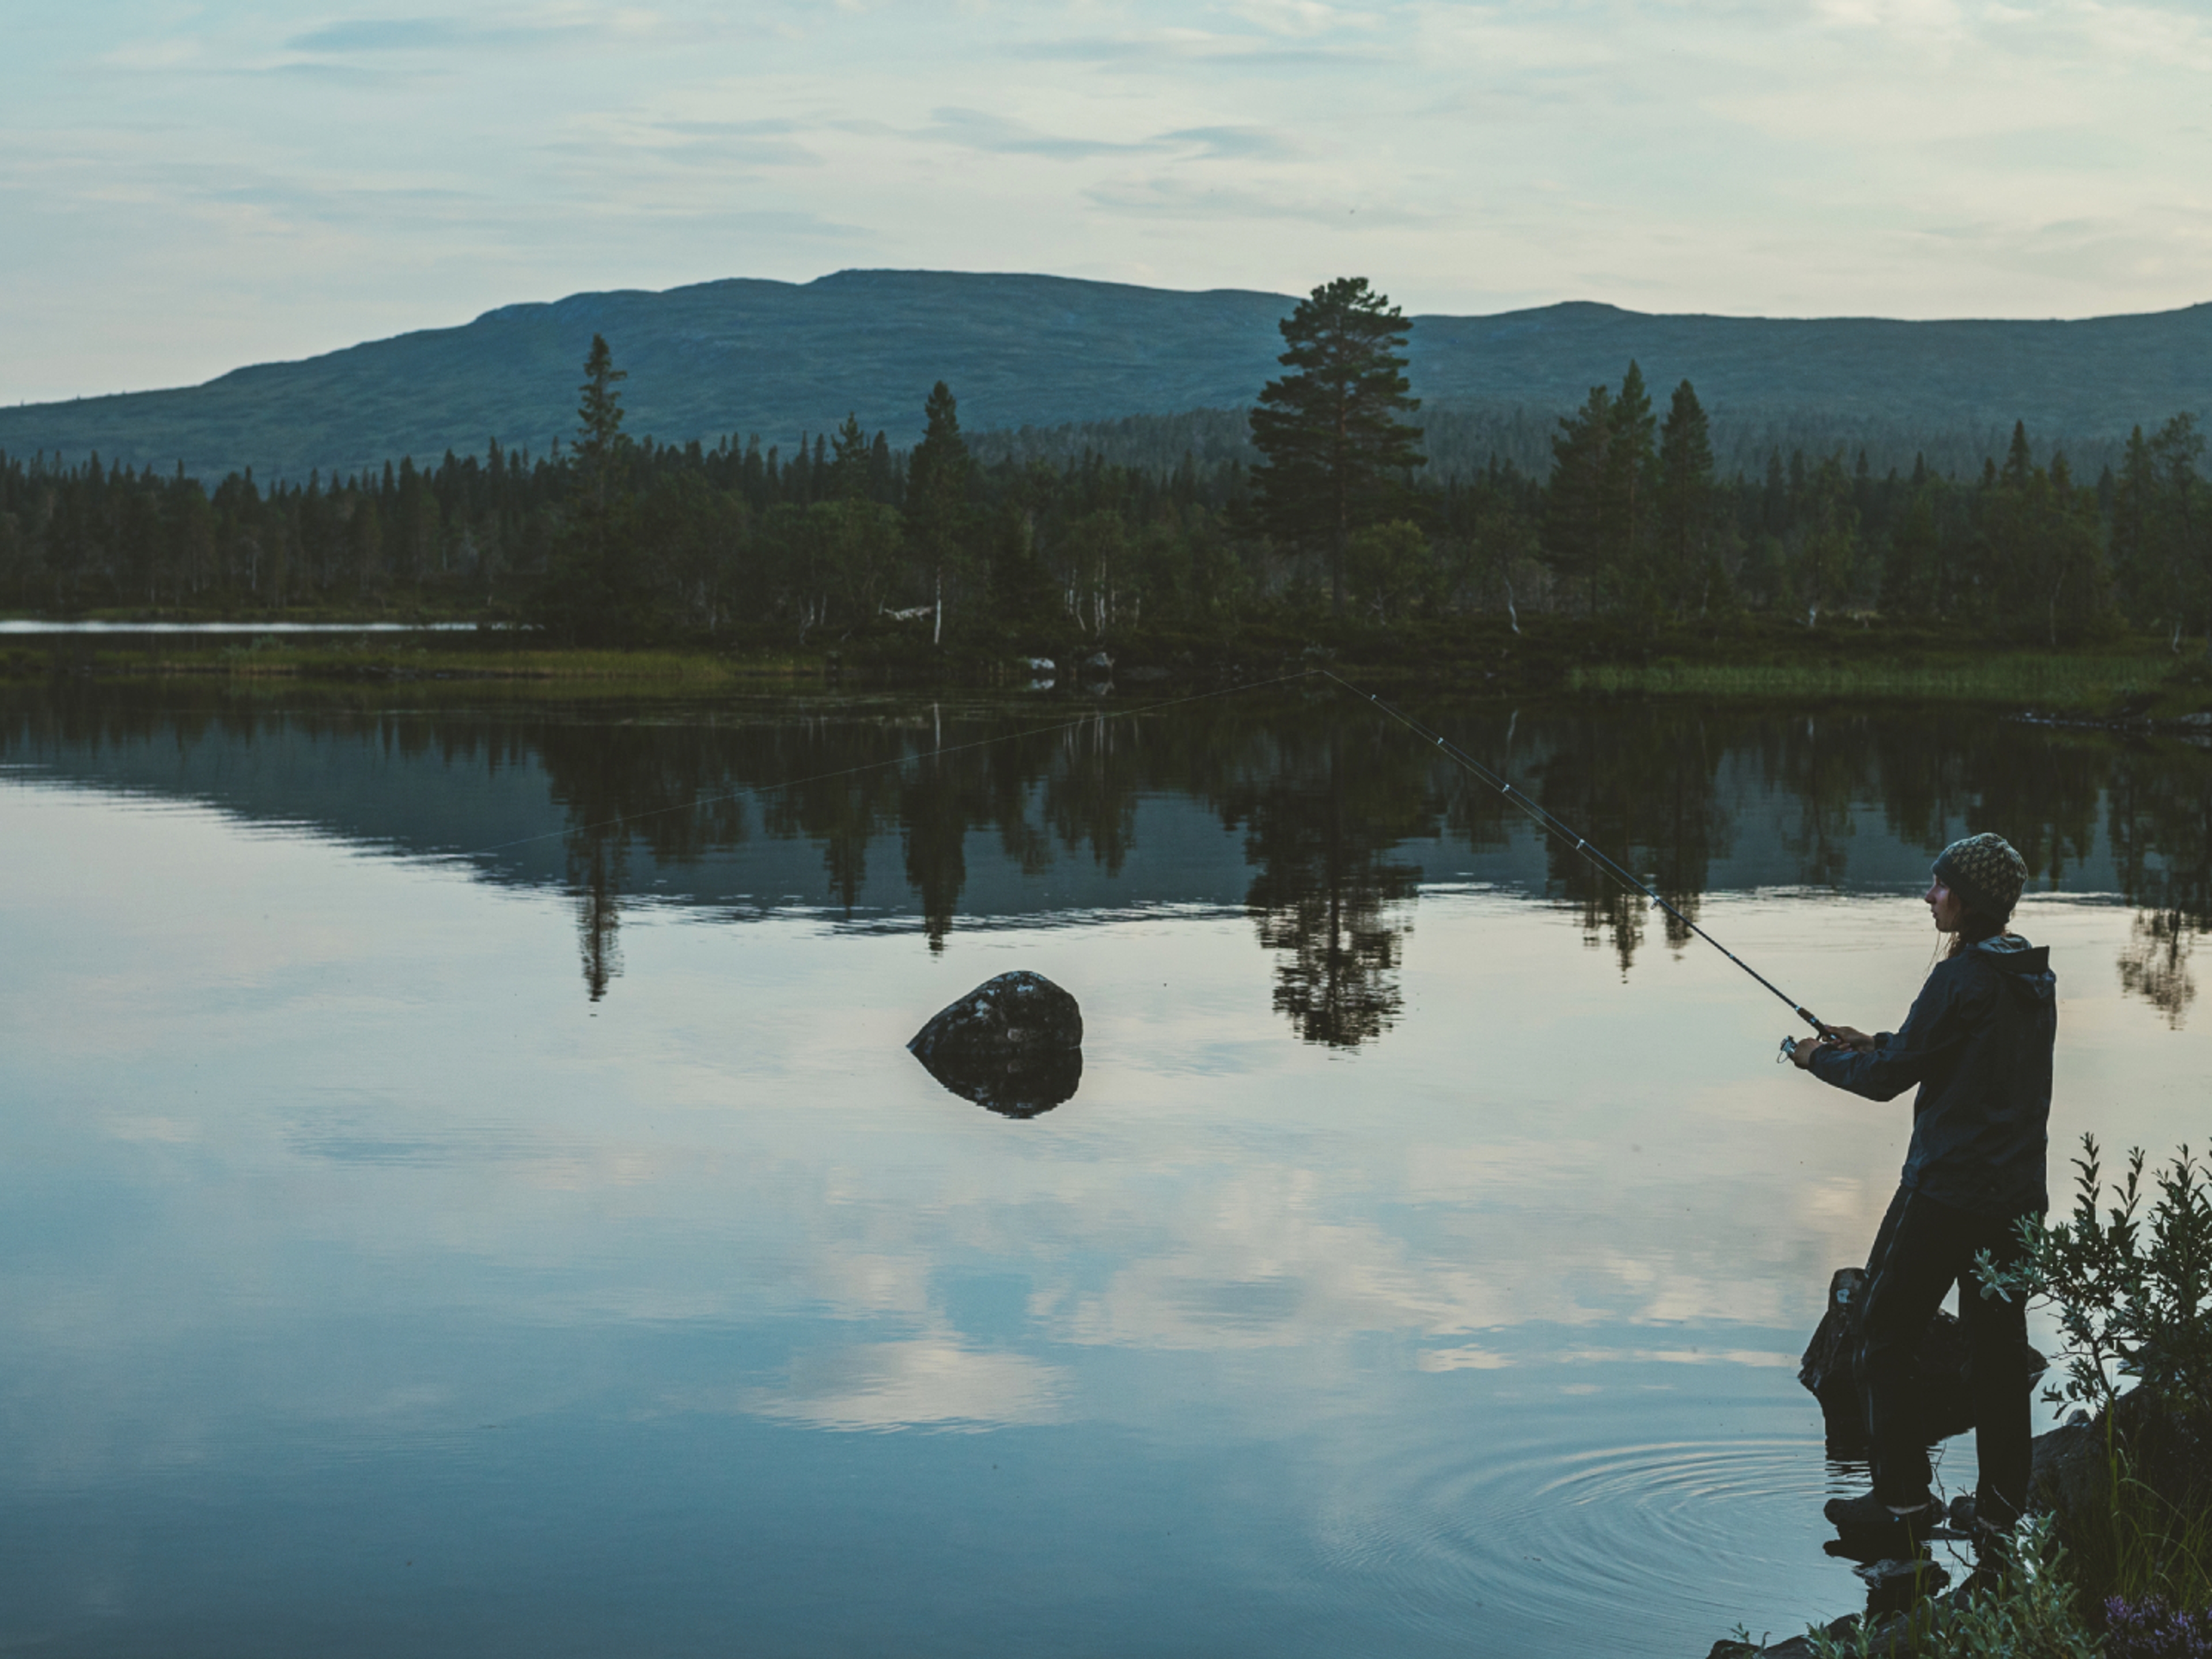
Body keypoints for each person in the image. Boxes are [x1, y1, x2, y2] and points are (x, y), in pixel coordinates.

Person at [1787, 832, 2055, 1558]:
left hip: (1945, 1193)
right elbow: (1943, 1051)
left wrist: (1817, 1060)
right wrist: (1873, 1040)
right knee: (1998, 1356)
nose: (1928, 897)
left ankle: (1902, 1500)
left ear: (1966, 901)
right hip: (2016, 1197)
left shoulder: (1959, 977)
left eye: (1939, 887)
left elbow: (1887, 1081)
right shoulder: (2029, 974)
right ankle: (1999, 1513)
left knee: (1881, 1333)